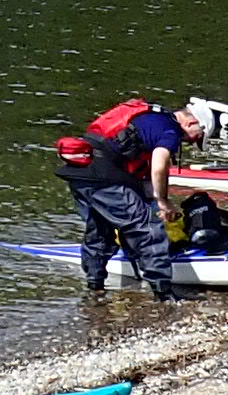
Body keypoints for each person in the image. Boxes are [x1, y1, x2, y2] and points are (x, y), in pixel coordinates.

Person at [55, 96, 187, 300]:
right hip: (102, 174)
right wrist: (161, 201)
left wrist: (156, 197)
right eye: (196, 137)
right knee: (148, 226)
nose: (189, 142)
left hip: (81, 172)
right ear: (191, 122)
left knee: (100, 227)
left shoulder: (148, 119)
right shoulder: (171, 129)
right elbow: (159, 165)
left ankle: (95, 288)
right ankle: (164, 293)